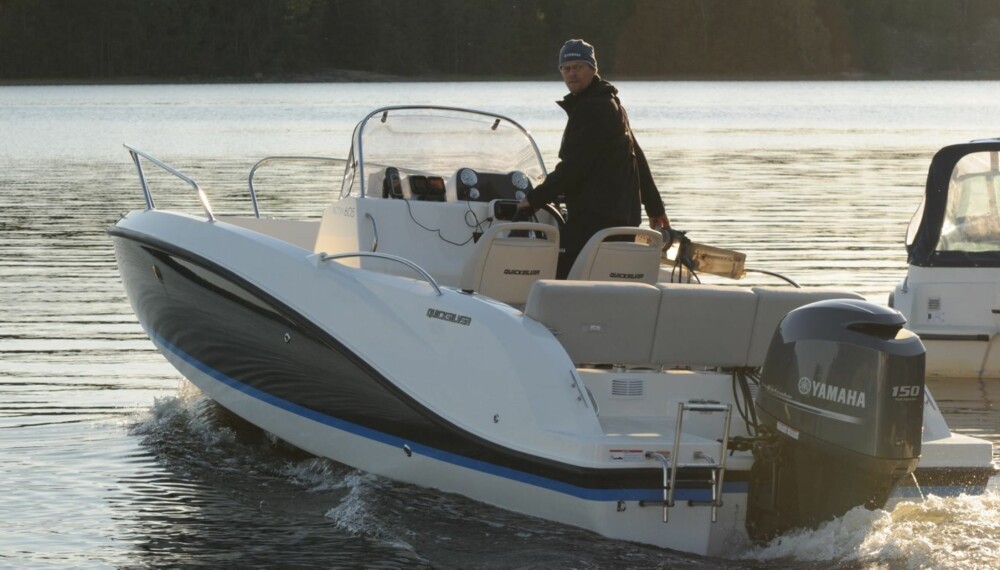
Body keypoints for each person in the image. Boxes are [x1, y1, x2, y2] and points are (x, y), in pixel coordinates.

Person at [518, 39, 670, 278]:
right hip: (621, 217)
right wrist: (654, 207)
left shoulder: (593, 108)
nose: (572, 74)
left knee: (558, 274)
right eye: (566, 68)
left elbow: (573, 167)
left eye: (578, 67)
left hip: (597, 219)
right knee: (604, 278)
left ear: (593, 69)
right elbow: (636, 156)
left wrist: (533, 200)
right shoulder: (609, 103)